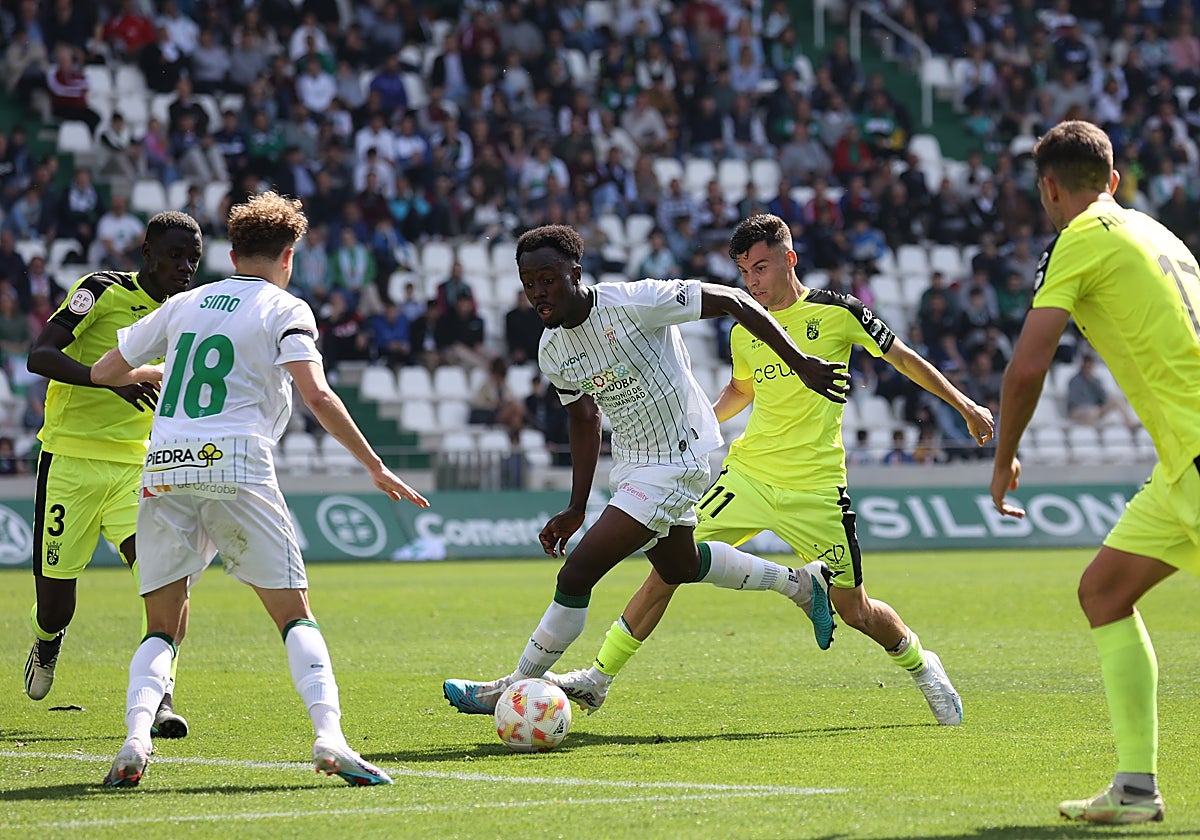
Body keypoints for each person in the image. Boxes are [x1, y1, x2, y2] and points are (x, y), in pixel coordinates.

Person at [547, 214, 992, 723]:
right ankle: (598, 678)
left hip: (819, 489)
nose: (752, 282)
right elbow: (742, 389)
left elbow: (905, 359)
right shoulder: (746, 331)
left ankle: (923, 666)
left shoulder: (838, 311)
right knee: (670, 568)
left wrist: (966, 406)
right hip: (748, 476)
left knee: (856, 611)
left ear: (789, 258)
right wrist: (702, 423)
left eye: (761, 267)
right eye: (744, 273)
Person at [91, 192, 429, 788]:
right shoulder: (285, 307)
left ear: (231, 252)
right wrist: (375, 465)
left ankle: (136, 738)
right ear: (288, 256)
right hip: (238, 465)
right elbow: (317, 395)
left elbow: (103, 373)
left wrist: (156, 373)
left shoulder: (186, 303)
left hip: (164, 466)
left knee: (160, 627)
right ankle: (331, 738)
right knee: (295, 617)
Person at [442, 224, 849, 716]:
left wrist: (800, 361)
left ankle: (509, 688)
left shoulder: (637, 301)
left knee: (577, 575)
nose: (538, 292)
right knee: (680, 564)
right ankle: (801, 584)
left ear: (575, 273)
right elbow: (583, 417)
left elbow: (734, 301)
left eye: (548, 278)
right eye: (529, 282)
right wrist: (575, 507)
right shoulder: (553, 349)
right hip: (634, 463)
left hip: (680, 453)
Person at [990, 120, 1200, 825]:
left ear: (1050, 189)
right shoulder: (1159, 234)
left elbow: (1027, 366)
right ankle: (1136, 790)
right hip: (1180, 464)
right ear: (1112, 180)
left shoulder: (1079, 239)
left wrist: (1003, 455)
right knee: (1105, 590)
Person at [24, 212, 202, 743]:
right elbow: (40, 355)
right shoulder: (99, 291)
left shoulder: (187, 313)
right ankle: (47, 639)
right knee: (57, 604)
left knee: (167, 579)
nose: (185, 267)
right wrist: (112, 382)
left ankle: (161, 696)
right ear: (147, 252)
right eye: (175, 255)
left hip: (138, 466)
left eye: (193, 258)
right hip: (70, 462)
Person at [1066, 354, 1140, 429]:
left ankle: (1131, 423)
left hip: (1096, 411)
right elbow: (1074, 401)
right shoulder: (1074, 381)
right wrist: (1091, 406)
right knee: (1092, 411)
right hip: (1078, 411)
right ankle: (1092, 432)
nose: (1089, 369)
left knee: (1116, 399)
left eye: (1090, 366)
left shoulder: (1096, 380)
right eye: (1087, 366)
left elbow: (1104, 398)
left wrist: (1094, 383)